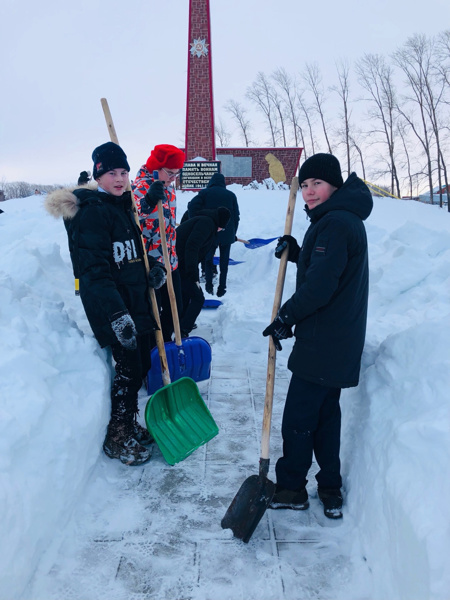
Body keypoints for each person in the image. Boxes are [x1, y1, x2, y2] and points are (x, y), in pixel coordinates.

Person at [263, 153, 373, 519]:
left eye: (317, 184)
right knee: (326, 416)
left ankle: (291, 488)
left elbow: (322, 285)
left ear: (335, 186)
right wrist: (297, 253)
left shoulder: (335, 224)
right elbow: (329, 270)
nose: (309, 192)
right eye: (305, 185)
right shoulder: (340, 220)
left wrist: (287, 317)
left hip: (323, 340)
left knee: (298, 418)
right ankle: (330, 488)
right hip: (339, 340)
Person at [45, 142, 166, 466]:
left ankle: (129, 423)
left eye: (124, 172)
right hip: (112, 306)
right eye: (112, 172)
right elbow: (95, 272)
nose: (120, 178)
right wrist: (116, 315)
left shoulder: (121, 206)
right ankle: (117, 436)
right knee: (127, 372)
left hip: (132, 301)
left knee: (140, 365)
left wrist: (150, 271)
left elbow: (130, 254)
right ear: (98, 174)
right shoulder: (93, 213)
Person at [132, 144, 185, 341]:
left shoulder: (169, 190)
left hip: (171, 261)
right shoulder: (139, 188)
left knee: (175, 309)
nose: (173, 178)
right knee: (154, 311)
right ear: (156, 168)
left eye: (177, 173)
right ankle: (155, 348)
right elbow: (133, 216)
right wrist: (147, 201)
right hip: (151, 264)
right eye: (170, 172)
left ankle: (166, 343)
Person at [176, 207, 231, 337]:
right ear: (220, 223)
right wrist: (193, 273)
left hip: (179, 263)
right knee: (198, 298)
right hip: (181, 264)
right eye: (222, 228)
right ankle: (183, 329)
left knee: (185, 295)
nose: (220, 230)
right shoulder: (206, 224)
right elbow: (192, 247)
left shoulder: (207, 222)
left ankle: (179, 323)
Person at [188, 173, 240, 297]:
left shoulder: (204, 193)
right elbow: (236, 217)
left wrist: (196, 223)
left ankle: (209, 285)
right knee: (224, 261)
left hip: (210, 232)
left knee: (208, 259)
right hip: (227, 233)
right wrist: (233, 233)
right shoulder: (231, 195)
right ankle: (222, 287)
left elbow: (191, 206)